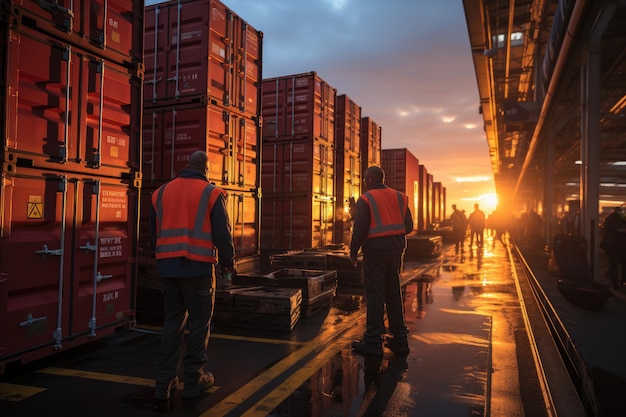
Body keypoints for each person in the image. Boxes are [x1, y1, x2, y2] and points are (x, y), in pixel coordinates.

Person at [150, 151, 236, 401]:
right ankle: (193, 379)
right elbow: (223, 234)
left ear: (187, 166)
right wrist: (229, 263)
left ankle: (163, 384)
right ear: (206, 170)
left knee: (172, 324)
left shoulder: (160, 193)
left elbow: (153, 235)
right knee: (198, 324)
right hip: (198, 269)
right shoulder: (211, 193)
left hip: (168, 269)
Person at [349, 166, 413, 357]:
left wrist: (353, 251)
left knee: (375, 295)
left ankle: (373, 342)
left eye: (365, 180)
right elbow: (408, 226)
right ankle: (400, 341)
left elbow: (360, 229)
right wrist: (392, 235)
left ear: (370, 179)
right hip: (396, 251)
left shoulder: (366, 199)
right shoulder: (400, 197)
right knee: (393, 293)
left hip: (375, 254)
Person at [600, 206, 626, 289]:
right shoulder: (622, 218)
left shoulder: (609, 218)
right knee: (622, 264)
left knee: (614, 265)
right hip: (620, 246)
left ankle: (616, 283)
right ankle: (622, 281)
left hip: (612, 246)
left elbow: (606, 229)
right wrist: (619, 230)